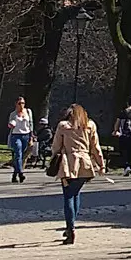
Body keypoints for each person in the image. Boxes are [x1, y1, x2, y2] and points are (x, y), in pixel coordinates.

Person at [49, 102, 105, 245]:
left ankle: (70, 228)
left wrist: (54, 159)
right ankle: (71, 224)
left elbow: (56, 146)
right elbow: (95, 147)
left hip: (68, 163)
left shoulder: (63, 126)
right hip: (84, 164)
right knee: (76, 194)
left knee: (68, 196)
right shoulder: (90, 125)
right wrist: (101, 164)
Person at [6, 98, 37, 183]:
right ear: (16, 104)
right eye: (19, 103)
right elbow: (10, 124)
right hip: (16, 135)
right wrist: (11, 124)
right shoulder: (13, 114)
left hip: (26, 135)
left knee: (20, 156)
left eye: (23, 103)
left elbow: (31, 124)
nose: (21, 105)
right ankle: (20, 173)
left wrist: (31, 136)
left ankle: (14, 175)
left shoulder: (28, 112)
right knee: (18, 153)